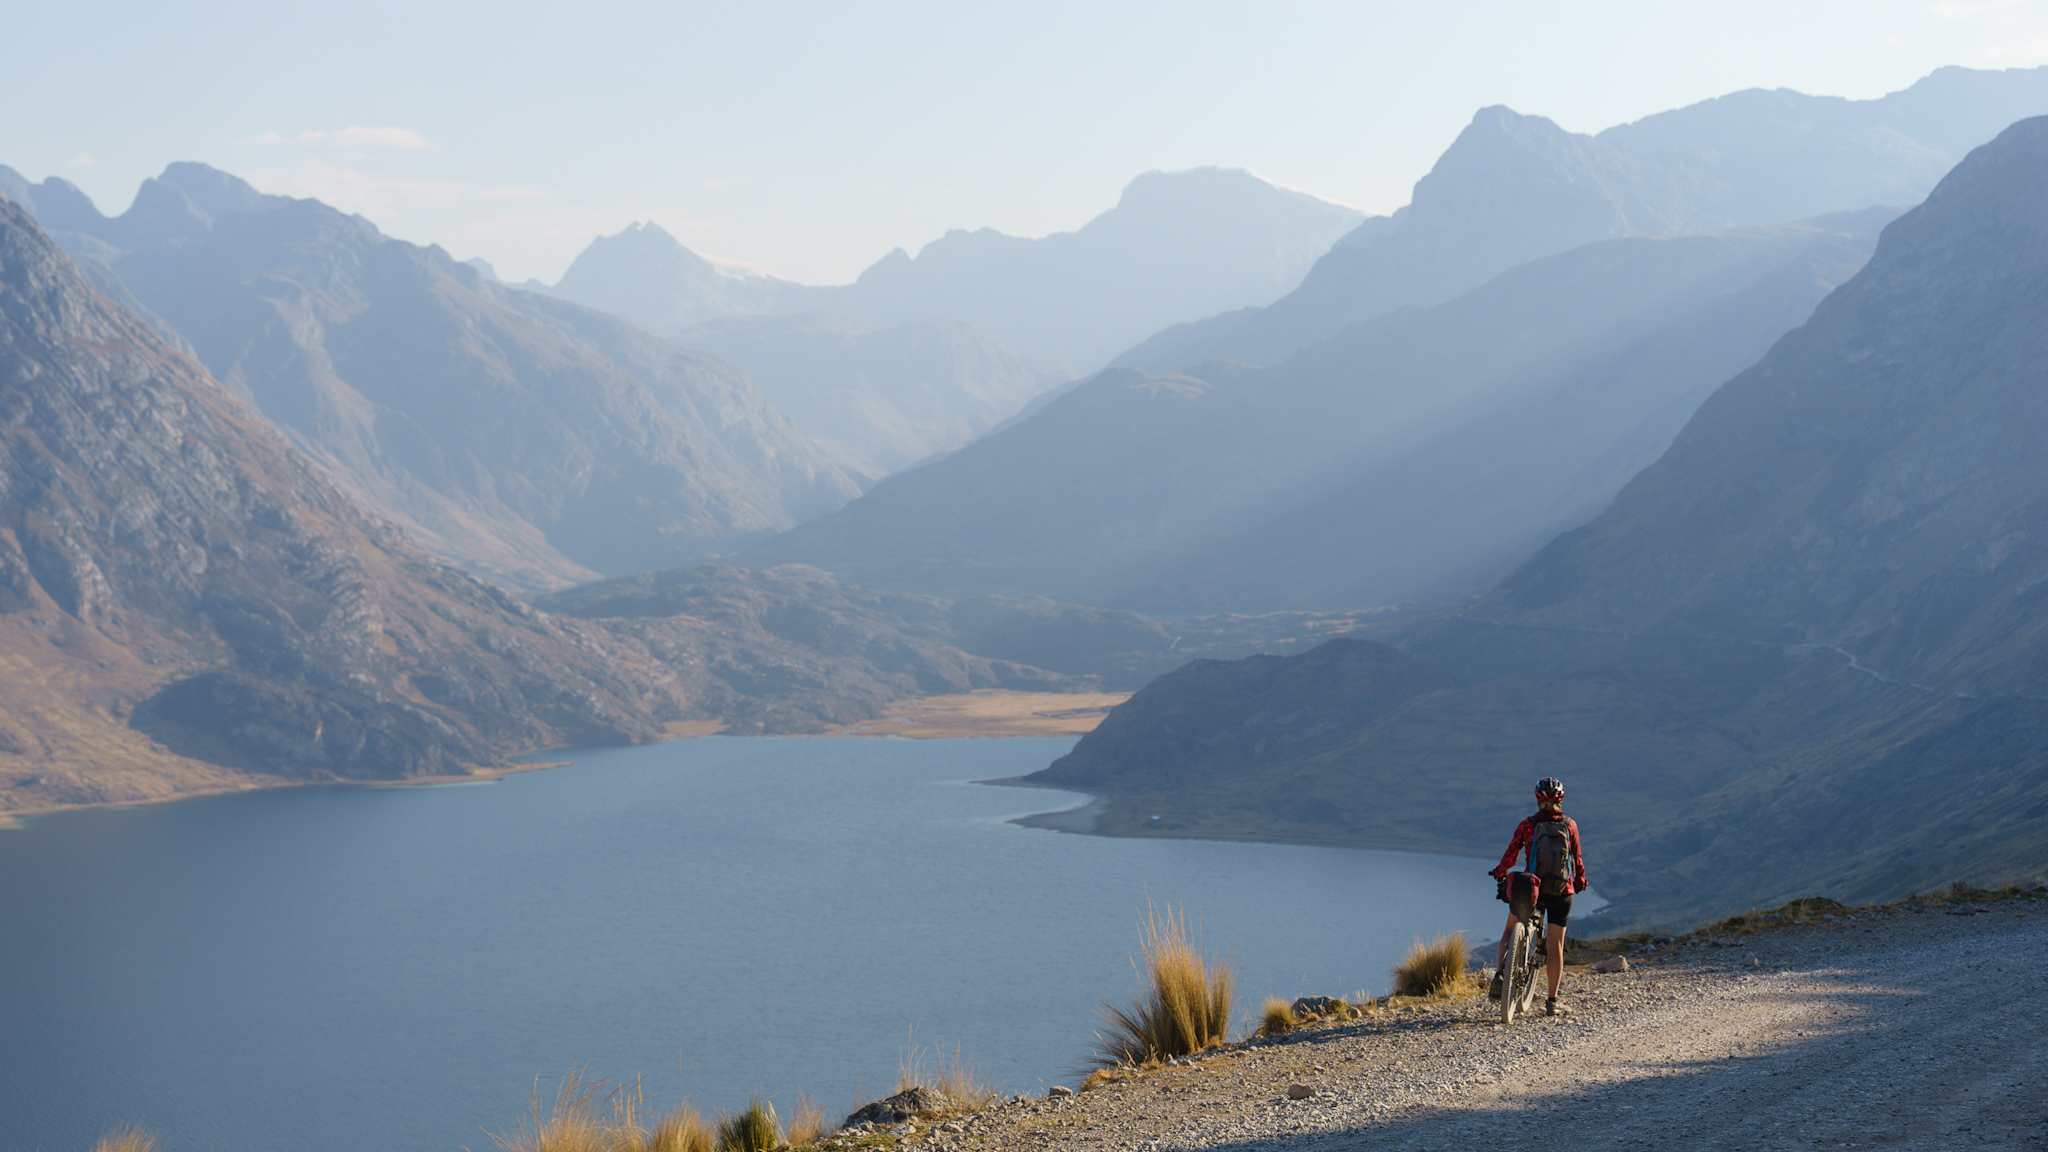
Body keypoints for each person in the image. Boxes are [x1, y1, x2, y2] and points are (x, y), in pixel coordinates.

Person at [1488, 776, 1587, 1016]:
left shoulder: (1528, 825)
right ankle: (1552, 1002)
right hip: (1562, 892)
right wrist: (1580, 882)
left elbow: (1510, 855)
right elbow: (1577, 859)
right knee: (1556, 945)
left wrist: (1500, 873)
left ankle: (1501, 976)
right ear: (1560, 800)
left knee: (1509, 932)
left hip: (1531, 889)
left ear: (1537, 799)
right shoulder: (1569, 825)